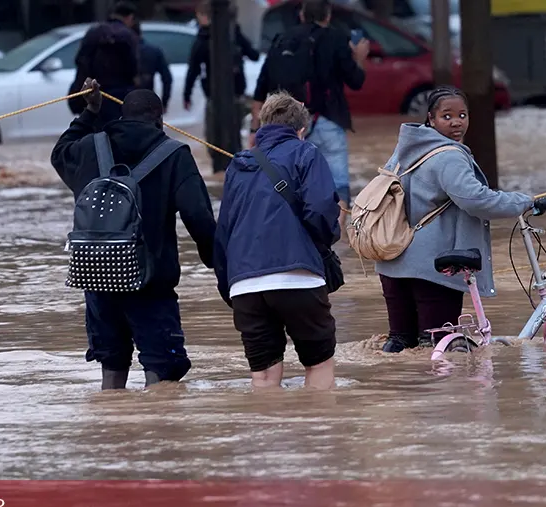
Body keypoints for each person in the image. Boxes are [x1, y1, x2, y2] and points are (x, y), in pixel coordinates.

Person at [51, 78, 217, 390]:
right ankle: (154, 434)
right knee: (162, 371)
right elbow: (198, 217)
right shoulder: (174, 154)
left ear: (122, 116)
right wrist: (217, 263)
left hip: (98, 278)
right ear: (160, 119)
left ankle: (115, 430)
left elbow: (58, 153)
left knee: (112, 365)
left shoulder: (89, 146)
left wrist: (89, 113)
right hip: (150, 284)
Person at [374, 87, 536, 353]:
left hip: (392, 262)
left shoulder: (404, 151)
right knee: (439, 348)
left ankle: (396, 393)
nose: (456, 122)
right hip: (434, 268)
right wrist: (523, 201)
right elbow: (476, 199)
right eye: (446, 116)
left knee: (400, 347)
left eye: (462, 115)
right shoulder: (449, 155)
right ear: (431, 119)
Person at [214, 91, 341, 390]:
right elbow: (320, 211)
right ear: (301, 130)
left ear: (262, 124)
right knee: (318, 365)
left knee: (264, 377)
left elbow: (224, 231)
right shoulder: (306, 153)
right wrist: (326, 242)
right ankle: (321, 435)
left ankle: (268, 432)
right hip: (298, 279)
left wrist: (229, 286)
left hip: (245, 285)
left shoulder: (238, 164)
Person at [251, 0, 367, 233]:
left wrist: (255, 131)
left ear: (302, 15)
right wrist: (359, 58)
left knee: (291, 182)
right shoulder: (336, 39)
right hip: (327, 119)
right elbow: (356, 81)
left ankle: (294, 236)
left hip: (287, 125)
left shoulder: (281, 39)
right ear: (328, 15)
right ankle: (334, 240)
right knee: (337, 183)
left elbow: (260, 90)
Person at [183, 0, 260, 177]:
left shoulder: (224, 37)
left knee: (224, 136)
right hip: (223, 96)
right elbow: (194, 68)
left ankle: (230, 169)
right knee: (222, 137)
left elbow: (254, 55)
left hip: (229, 96)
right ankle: (229, 169)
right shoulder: (207, 40)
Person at [67, 2, 139, 123]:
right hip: (119, 95)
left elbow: (81, 60)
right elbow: (133, 67)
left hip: (94, 93)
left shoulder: (93, 32)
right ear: (130, 17)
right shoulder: (127, 35)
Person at [131, 21, 171, 112]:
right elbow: (167, 78)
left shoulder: (121, 52)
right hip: (148, 101)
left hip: (124, 102)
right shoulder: (154, 51)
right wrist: (164, 102)